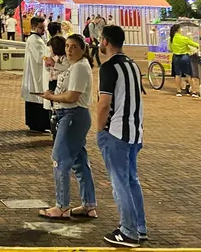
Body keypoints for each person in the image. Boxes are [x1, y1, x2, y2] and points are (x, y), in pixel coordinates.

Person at [97, 25, 147, 248]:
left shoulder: (109, 68)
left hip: (116, 132)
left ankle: (128, 231)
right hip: (134, 132)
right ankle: (140, 227)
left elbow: (104, 104)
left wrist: (99, 131)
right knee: (131, 180)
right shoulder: (132, 65)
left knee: (120, 183)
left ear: (106, 42)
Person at [39, 33, 97, 219]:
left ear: (83, 49)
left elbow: (72, 96)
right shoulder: (75, 65)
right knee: (79, 161)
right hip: (72, 115)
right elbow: (63, 67)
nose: (69, 50)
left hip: (72, 114)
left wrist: (51, 97)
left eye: (74, 47)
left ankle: (61, 206)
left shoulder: (80, 67)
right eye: (67, 46)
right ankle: (88, 204)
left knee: (60, 159)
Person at [20, 16, 50, 133]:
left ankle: (36, 124)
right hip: (35, 73)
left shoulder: (36, 39)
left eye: (44, 27)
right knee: (36, 97)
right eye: (41, 27)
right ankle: (37, 125)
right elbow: (39, 57)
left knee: (35, 97)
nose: (43, 30)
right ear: (33, 27)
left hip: (36, 72)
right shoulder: (35, 40)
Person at [169, 24, 200, 97]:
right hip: (184, 57)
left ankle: (178, 91)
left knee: (177, 75)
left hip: (176, 57)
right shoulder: (184, 38)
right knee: (189, 75)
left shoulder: (171, 39)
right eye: (180, 29)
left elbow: (171, 49)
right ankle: (194, 92)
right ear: (178, 30)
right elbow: (195, 44)